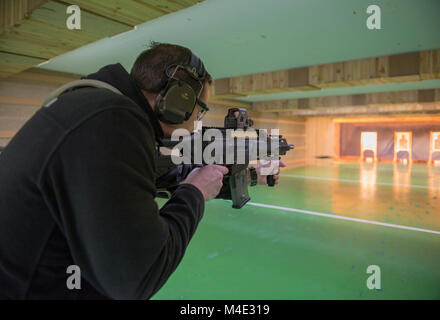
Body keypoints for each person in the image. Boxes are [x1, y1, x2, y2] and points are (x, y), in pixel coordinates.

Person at [0, 43, 282, 300]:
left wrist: (250, 175)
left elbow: (152, 178)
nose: (197, 120)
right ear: (178, 99)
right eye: (200, 109)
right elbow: (141, 275)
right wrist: (193, 193)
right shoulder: (113, 121)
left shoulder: (97, 110)